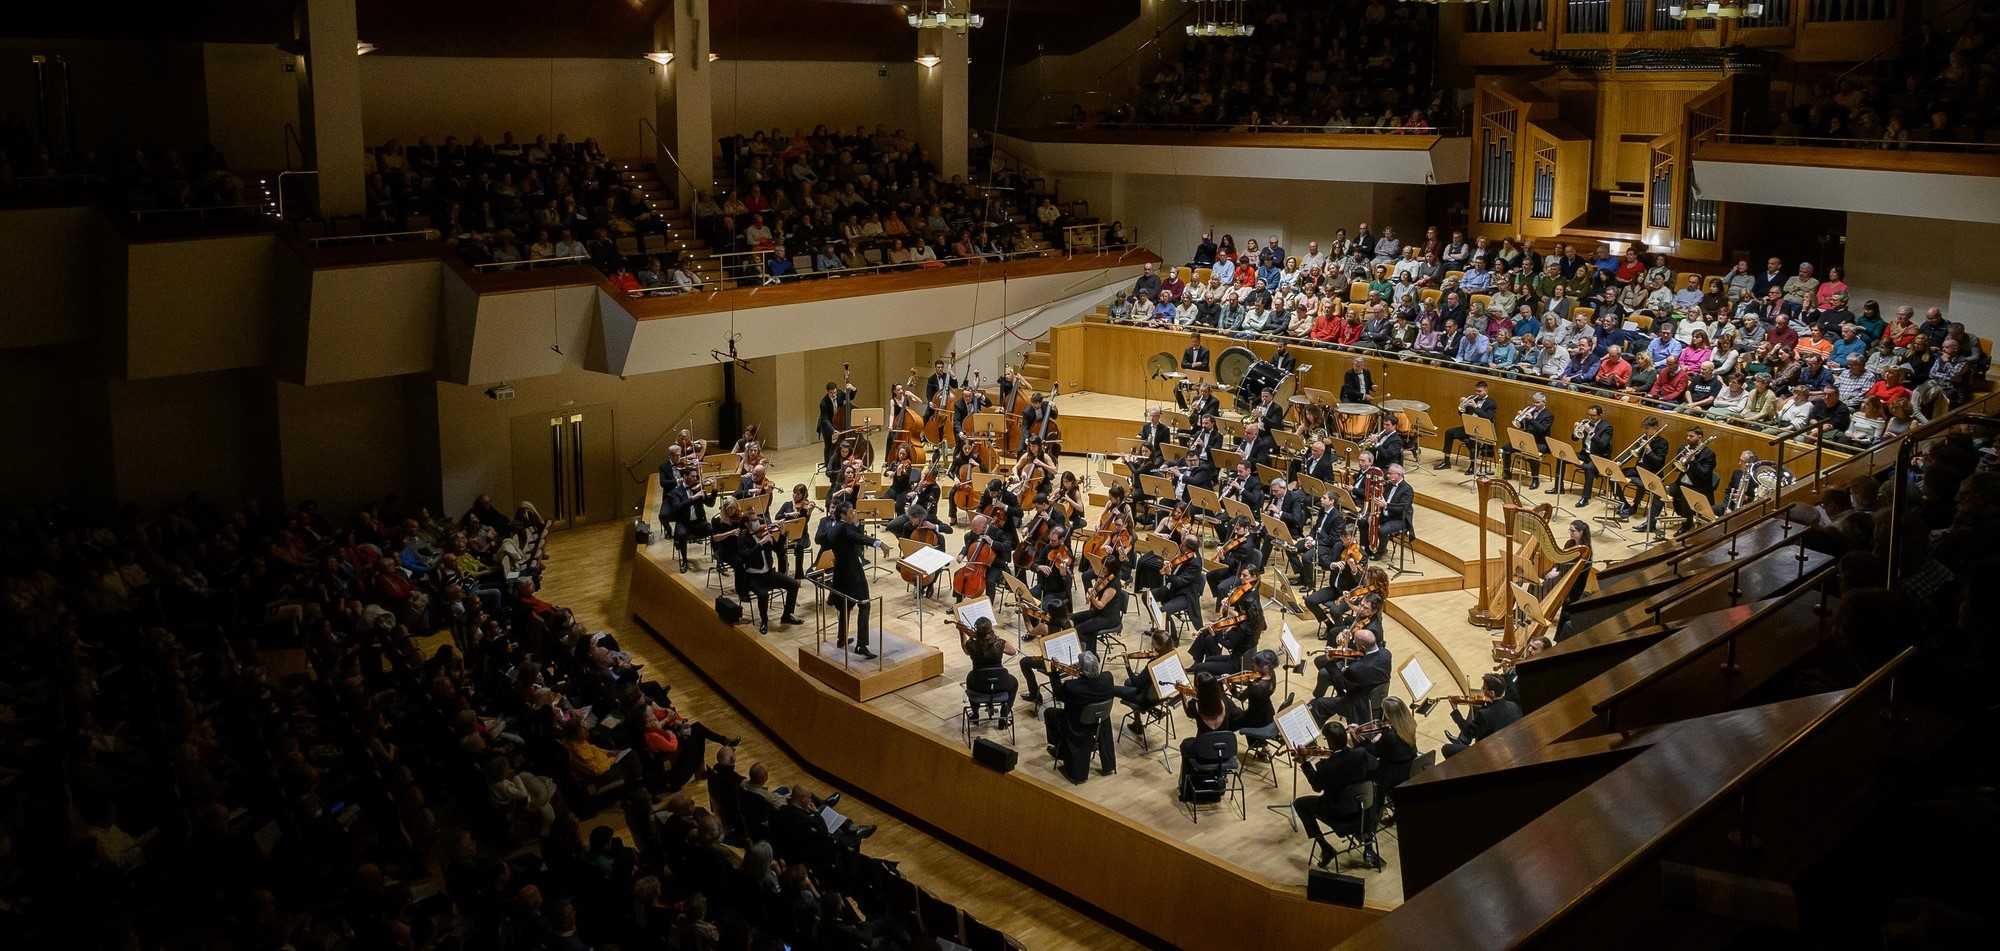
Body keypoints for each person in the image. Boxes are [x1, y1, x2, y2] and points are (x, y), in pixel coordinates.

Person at [1294, 722, 1381, 870]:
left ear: (1330, 742)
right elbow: (1375, 766)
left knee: (1299, 804)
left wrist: (1304, 763)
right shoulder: (1361, 754)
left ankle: (1326, 848)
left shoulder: (1326, 766)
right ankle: (1368, 848)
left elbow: (1316, 786)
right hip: (1363, 811)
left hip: (1339, 814)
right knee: (1366, 791)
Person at [818, 503, 889, 657]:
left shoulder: (835, 528)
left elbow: (845, 536)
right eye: (851, 512)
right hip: (853, 572)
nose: (853, 513)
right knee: (864, 605)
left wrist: (856, 522)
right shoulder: (844, 528)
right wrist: (879, 543)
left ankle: (841, 639)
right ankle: (861, 646)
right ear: (843, 515)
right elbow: (857, 537)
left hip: (840, 572)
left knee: (846, 605)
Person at [1042, 651, 1114, 783]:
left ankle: (1061, 749)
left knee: (1050, 713)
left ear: (1080, 670)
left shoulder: (1073, 687)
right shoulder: (1108, 678)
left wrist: (1054, 672)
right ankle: (1107, 765)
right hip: (1100, 720)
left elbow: (1058, 694)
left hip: (1077, 724)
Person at [732, 515, 802, 633]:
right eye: (754, 520)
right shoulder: (742, 537)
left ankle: (787, 615)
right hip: (752, 577)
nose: (758, 522)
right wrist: (760, 544)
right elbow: (746, 556)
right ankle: (764, 621)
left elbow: (779, 550)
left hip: (769, 573)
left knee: (794, 584)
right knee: (763, 595)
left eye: (758, 520)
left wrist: (782, 534)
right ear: (746, 524)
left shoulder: (765, 533)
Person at [1310, 625, 1390, 725]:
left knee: (1320, 704)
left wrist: (1331, 662)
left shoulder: (1355, 669)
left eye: (1355, 642)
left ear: (1363, 647)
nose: (1354, 643)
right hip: (1377, 698)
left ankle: (1310, 736)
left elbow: (1341, 685)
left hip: (1358, 704)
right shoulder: (1386, 654)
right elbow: (1366, 656)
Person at [1443, 673, 1522, 757]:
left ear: (1492, 693)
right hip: (1508, 747)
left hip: (1489, 753)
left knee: (1446, 749)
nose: (1481, 689)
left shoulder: (1485, 714)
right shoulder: (1513, 706)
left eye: (1484, 688)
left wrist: (1455, 710)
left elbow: (1468, 732)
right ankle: (1461, 742)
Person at [1436, 382, 1497, 473]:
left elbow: (1488, 417)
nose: (1477, 393)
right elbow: (1462, 414)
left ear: (1486, 391)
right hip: (1468, 427)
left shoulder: (1491, 404)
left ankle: (1473, 465)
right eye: (1476, 391)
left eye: (1479, 391)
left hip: (1482, 431)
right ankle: (1446, 461)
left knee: (1473, 439)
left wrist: (1476, 407)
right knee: (1449, 432)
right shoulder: (1473, 399)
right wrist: (1462, 405)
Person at [1499, 393, 1555, 489]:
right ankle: (1507, 472)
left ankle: (1535, 479)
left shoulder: (1548, 415)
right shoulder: (1530, 411)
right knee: (1505, 448)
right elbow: (1521, 426)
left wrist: (1532, 419)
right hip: (1525, 440)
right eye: (1534, 402)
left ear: (1544, 402)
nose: (1535, 405)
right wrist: (1519, 418)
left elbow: (1542, 430)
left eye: (1537, 403)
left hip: (1540, 442)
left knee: (1533, 454)